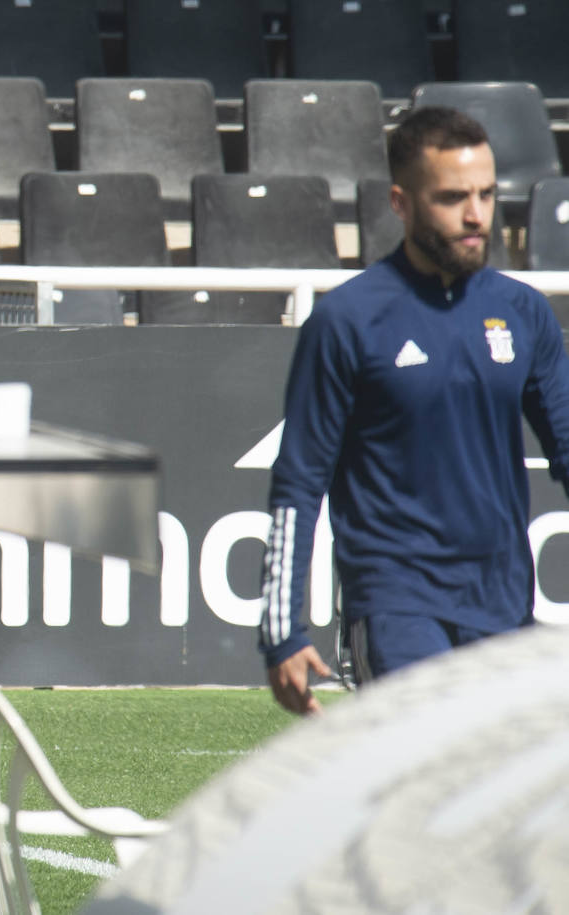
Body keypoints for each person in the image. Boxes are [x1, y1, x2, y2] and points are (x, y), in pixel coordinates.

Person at [258, 107, 569, 714]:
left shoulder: (523, 313)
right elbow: (298, 482)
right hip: (396, 608)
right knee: (433, 766)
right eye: (453, 197)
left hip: (505, 608)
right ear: (401, 203)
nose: (476, 215)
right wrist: (281, 632)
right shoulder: (348, 320)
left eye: (485, 194)